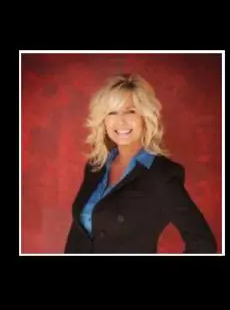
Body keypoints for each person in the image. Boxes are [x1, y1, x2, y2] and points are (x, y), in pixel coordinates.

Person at [64, 73, 217, 254]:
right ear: (103, 121)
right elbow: (80, 231)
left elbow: (202, 242)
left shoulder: (162, 175)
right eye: (112, 113)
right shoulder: (96, 165)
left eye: (131, 111)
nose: (121, 121)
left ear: (145, 117)